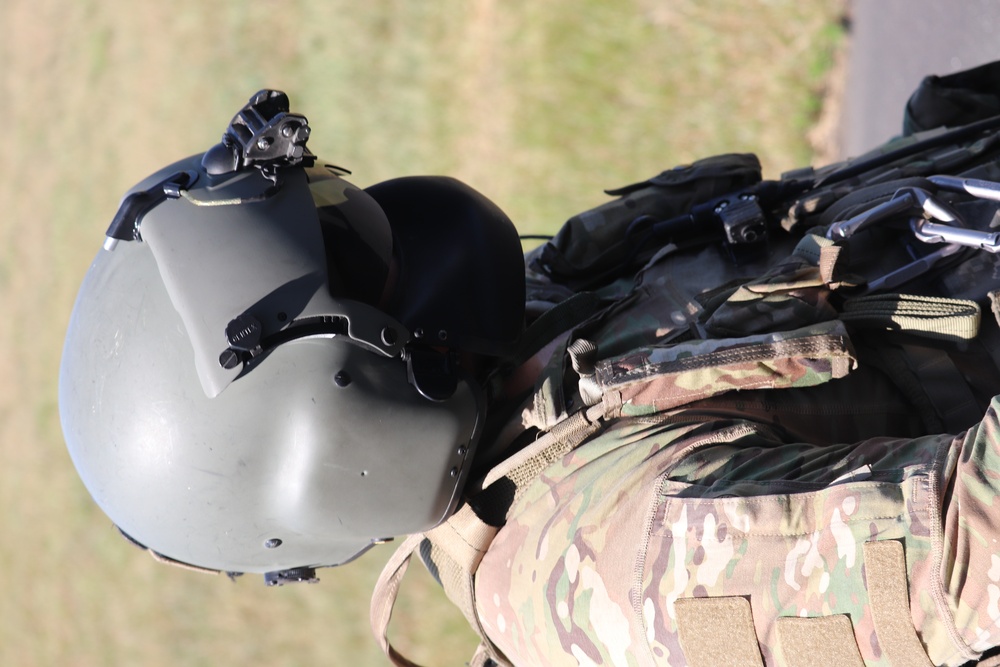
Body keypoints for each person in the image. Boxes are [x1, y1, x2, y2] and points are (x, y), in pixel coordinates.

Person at [58, 62, 1000, 666]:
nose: (387, 224)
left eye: (334, 200)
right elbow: (974, 551)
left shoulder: (516, 344)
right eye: (350, 244)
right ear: (345, 417)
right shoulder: (633, 557)